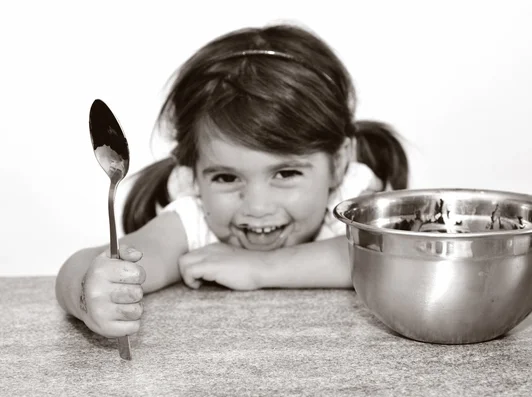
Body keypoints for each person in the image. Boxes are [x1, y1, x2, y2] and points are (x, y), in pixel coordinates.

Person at [55, 24, 409, 339]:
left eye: (285, 174)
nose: (256, 206)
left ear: (338, 164)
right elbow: (83, 265)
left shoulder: (353, 201)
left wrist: (259, 268)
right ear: (193, 174)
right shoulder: (197, 219)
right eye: (226, 177)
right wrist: (92, 292)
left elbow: (383, 259)